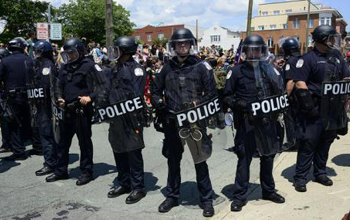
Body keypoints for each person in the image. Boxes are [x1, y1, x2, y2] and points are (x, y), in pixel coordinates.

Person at [152, 28, 216, 217]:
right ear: (173, 46)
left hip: (195, 121)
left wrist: (198, 104)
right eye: (179, 44)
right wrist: (159, 104)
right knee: (173, 161)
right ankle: (172, 196)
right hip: (172, 122)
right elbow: (155, 91)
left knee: (200, 160)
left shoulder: (201, 66)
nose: (182, 46)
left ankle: (206, 199)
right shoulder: (167, 67)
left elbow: (212, 94)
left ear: (191, 45)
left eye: (185, 43)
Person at [223, 35, 286, 212]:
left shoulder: (269, 69)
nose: (254, 52)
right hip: (246, 122)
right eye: (251, 49)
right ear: (245, 51)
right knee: (244, 158)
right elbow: (226, 96)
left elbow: (280, 90)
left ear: (262, 51)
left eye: (257, 49)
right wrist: (240, 104)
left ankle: (268, 191)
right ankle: (239, 196)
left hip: (267, 121)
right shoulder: (236, 71)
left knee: (268, 157)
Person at [287, 25, 350, 192]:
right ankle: (300, 177)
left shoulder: (337, 57)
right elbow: (300, 83)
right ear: (322, 38)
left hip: (333, 109)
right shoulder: (307, 59)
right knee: (309, 144)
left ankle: (320, 172)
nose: (333, 41)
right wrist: (309, 107)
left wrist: (344, 100)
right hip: (314, 109)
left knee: (326, 142)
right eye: (330, 38)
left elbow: (346, 76)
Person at [45, 37, 102, 185]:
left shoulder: (89, 66)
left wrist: (90, 97)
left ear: (80, 51)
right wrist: (59, 97)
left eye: (72, 53)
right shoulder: (65, 67)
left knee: (84, 143)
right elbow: (59, 84)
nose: (70, 56)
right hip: (66, 110)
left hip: (81, 111)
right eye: (68, 53)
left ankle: (86, 171)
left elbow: (102, 86)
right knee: (62, 143)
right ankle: (60, 171)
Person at [102, 36, 147, 204]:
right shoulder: (113, 68)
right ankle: (124, 183)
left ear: (127, 50)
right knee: (118, 149)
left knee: (133, 152)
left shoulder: (137, 70)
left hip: (131, 117)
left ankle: (138, 187)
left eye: (118, 49)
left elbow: (135, 93)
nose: (115, 52)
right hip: (116, 116)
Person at [27, 40, 58, 176]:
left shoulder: (48, 66)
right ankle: (51, 161)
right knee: (45, 135)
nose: (36, 54)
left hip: (47, 106)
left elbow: (46, 87)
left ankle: (50, 163)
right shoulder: (39, 65)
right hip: (41, 106)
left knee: (47, 136)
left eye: (38, 51)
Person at [0, 37, 32, 160]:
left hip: (13, 97)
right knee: (28, 121)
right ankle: (37, 146)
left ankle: (18, 151)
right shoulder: (29, 59)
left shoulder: (6, 61)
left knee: (14, 124)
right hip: (29, 96)